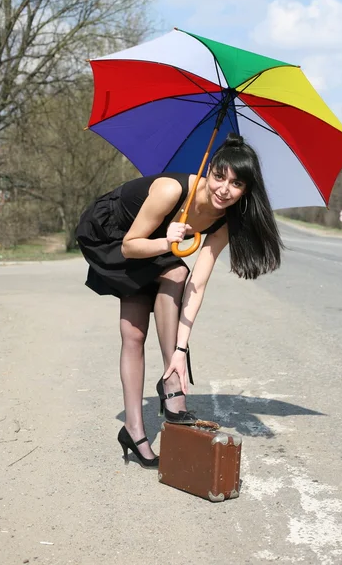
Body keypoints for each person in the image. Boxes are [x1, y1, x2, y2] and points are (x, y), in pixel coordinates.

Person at [75, 132, 283, 469]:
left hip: (152, 242)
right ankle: (166, 392)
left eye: (236, 184)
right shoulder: (172, 190)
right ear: (209, 170)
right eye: (219, 176)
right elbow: (130, 246)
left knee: (138, 329)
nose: (224, 189)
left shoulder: (223, 220)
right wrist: (166, 244)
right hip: (113, 233)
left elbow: (198, 284)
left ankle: (137, 424)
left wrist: (182, 351)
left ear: (246, 190)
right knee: (170, 278)